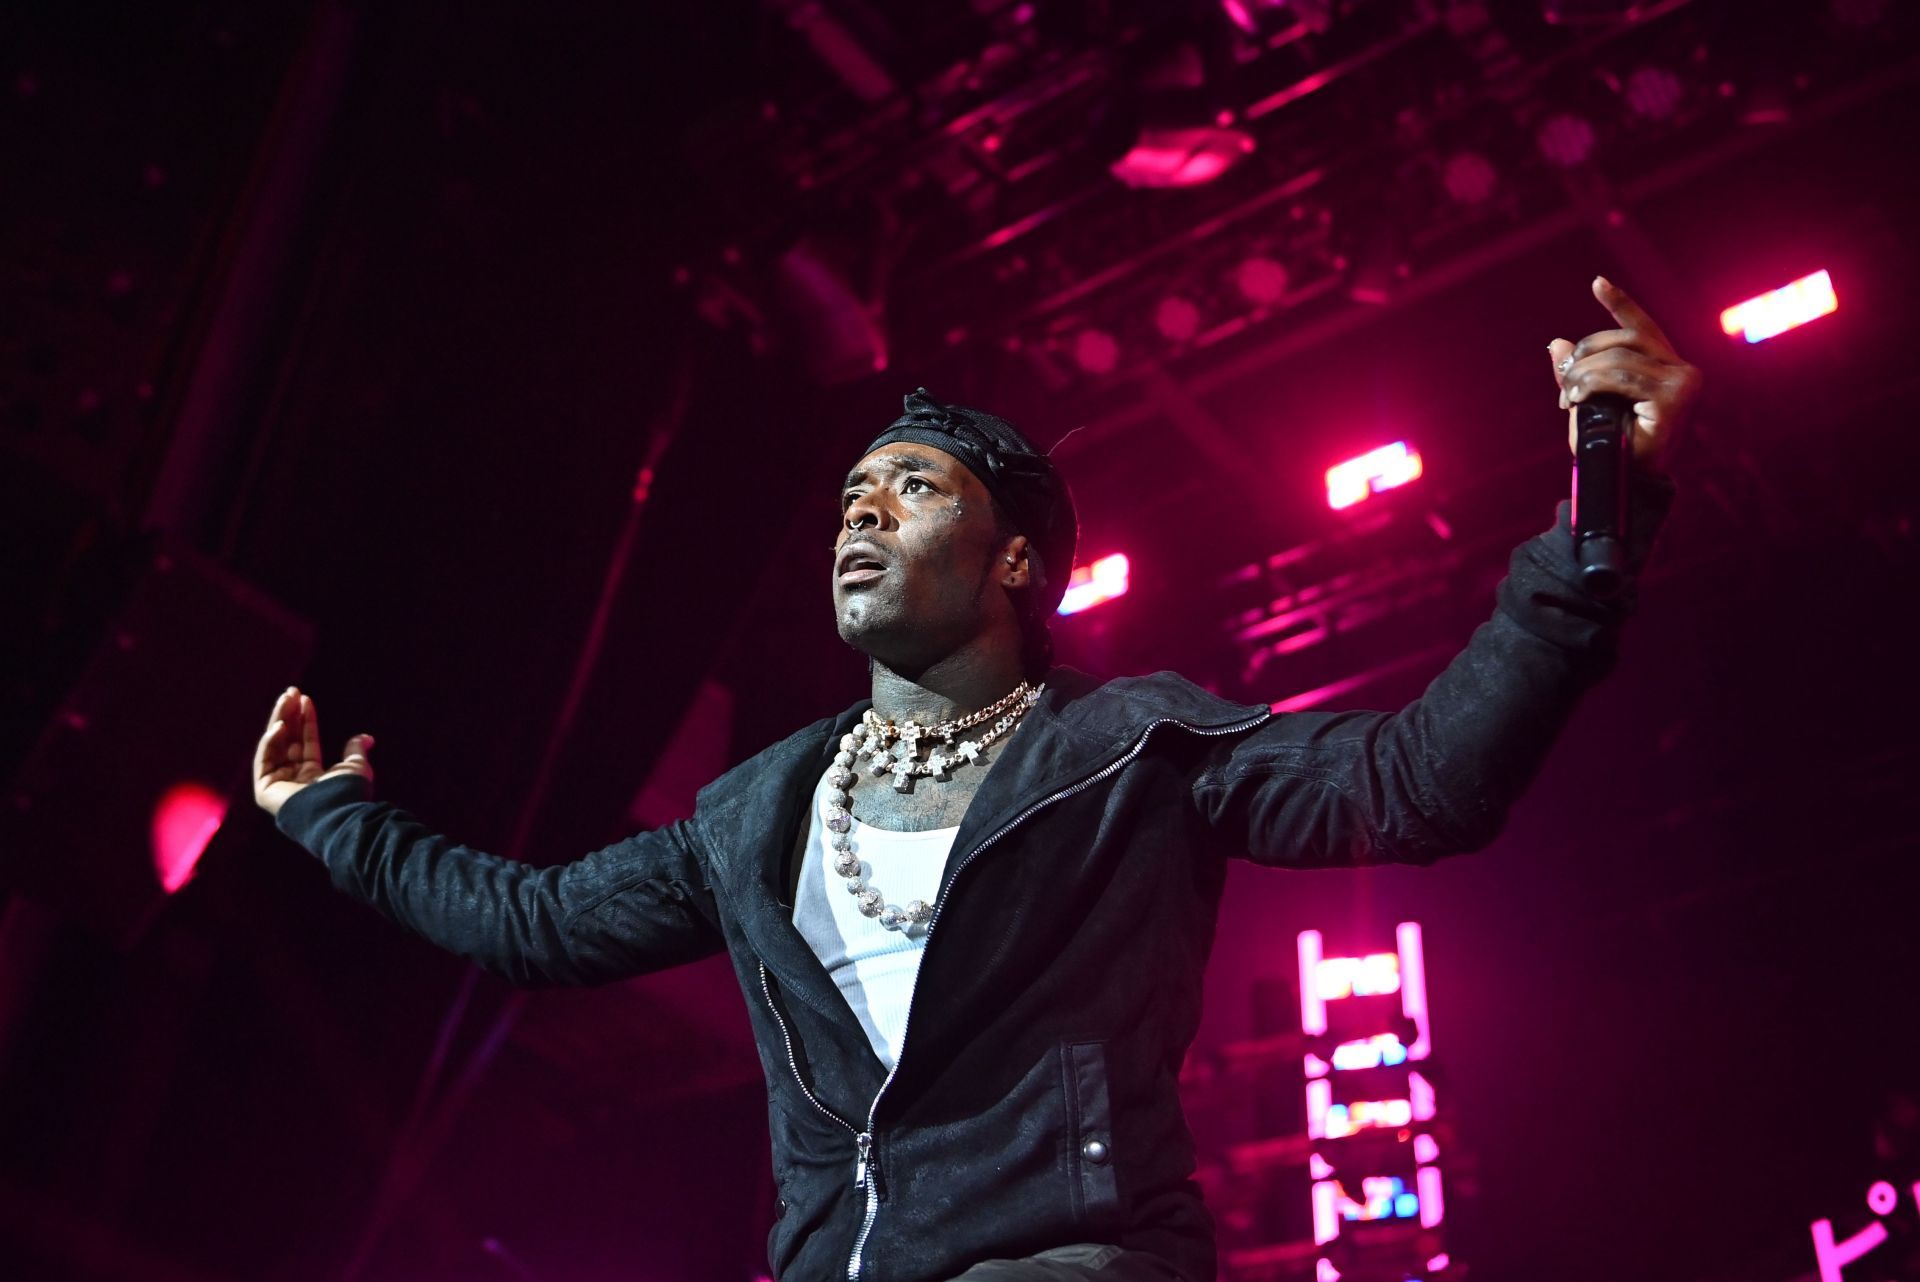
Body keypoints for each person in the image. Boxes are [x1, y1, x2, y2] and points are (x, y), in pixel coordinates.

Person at [253, 276, 1700, 1281]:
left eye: (913, 489)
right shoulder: (758, 812)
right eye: (851, 497)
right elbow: (535, 922)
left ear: (1016, 561)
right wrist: (327, 816)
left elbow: (1423, 779)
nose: (862, 516)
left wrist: (1603, 510)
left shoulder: (1131, 747)